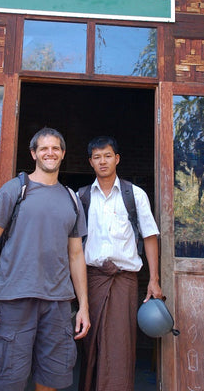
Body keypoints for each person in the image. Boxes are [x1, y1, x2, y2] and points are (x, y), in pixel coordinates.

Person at [0, 127, 90, 391]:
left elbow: (76, 255)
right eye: (43, 149)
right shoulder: (15, 190)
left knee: (51, 379)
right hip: (13, 300)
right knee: (7, 380)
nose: (49, 153)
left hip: (58, 304)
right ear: (33, 153)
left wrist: (83, 306)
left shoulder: (72, 199)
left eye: (55, 149)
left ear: (62, 154)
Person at [78, 136, 163, 391]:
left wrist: (154, 279)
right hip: (91, 279)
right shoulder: (81, 197)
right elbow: (71, 245)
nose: (102, 161)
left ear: (117, 159)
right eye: (97, 157)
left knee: (120, 344)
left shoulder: (134, 195)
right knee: (89, 342)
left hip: (124, 280)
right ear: (90, 162)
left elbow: (149, 237)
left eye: (107, 155)